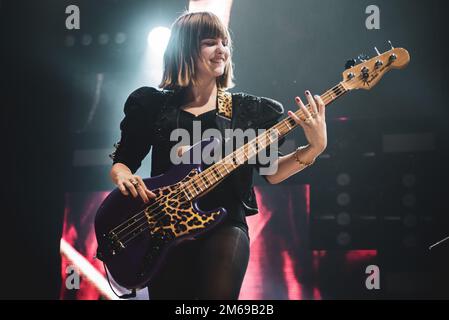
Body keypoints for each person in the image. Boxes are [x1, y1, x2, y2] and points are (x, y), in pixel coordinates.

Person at [110, 11, 327, 300]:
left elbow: (272, 172)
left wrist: (313, 148)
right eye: (211, 42)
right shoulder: (151, 105)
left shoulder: (248, 111)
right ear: (184, 49)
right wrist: (124, 177)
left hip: (225, 225)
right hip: (163, 229)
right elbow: (123, 162)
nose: (222, 50)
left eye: (225, 42)